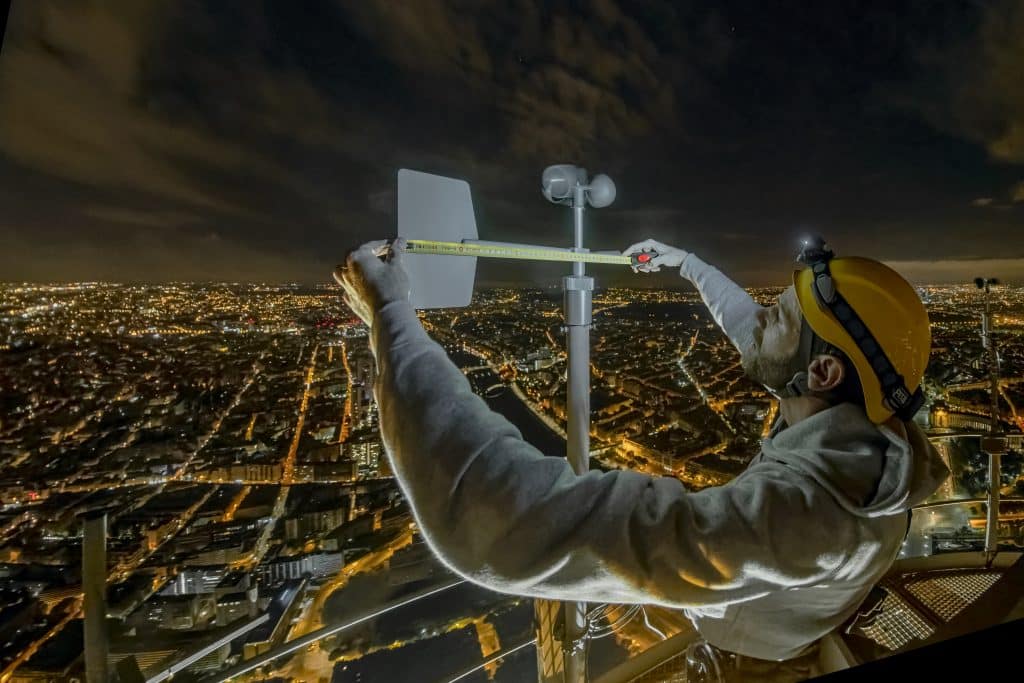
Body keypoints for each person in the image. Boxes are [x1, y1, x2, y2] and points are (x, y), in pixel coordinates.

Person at [334, 235, 948, 680]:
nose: (763, 318)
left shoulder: (808, 517)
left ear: (822, 369)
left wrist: (391, 320)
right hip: (768, 648)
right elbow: (758, 338)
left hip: (752, 672)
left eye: (781, 315)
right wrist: (689, 264)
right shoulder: (861, 443)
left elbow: (512, 524)